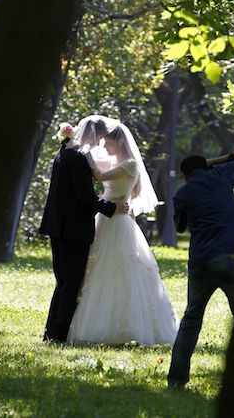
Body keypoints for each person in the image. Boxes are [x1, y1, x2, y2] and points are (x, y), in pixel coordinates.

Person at [67, 116, 178, 347]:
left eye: (107, 142)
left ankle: (120, 327)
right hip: (106, 217)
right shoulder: (115, 162)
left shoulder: (129, 164)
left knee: (117, 269)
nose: (104, 145)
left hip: (117, 222)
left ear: (118, 142)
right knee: (97, 267)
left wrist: (84, 151)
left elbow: (97, 175)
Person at [167, 150, 234, 387]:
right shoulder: (222, 175)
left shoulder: (183, 193)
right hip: (232, 257)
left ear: (184, 176)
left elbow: (180, 228)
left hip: (201, 262)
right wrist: (211, 163)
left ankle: (176, 380)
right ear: (205, 167)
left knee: (191, 319)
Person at [40, 118, 129, 343]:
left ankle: (51, 332)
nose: (101, 142)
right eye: (100, 137)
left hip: (57, 224)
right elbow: (86, 196)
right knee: (72, 281)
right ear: (95, 134)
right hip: (74, 228)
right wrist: (112, 207)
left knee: (63, 281)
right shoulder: (78, 157)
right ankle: (59, 333)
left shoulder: (64, 152)